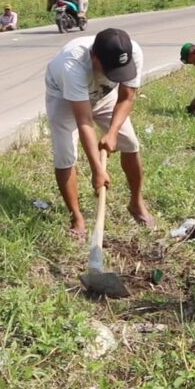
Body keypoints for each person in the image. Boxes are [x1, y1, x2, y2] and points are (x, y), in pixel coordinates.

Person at [45, 28, 154, 239]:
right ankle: (76, 217)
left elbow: (127, 98)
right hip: (64, 96)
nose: (117, 74)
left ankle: (136, 203)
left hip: (104, 96)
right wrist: (97, 170)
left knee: (130, 144)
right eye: (110, 69)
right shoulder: (72, 64)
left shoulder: (133, 53)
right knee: (65, 154)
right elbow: (84, 120)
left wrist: (112, 132)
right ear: (94, 57)